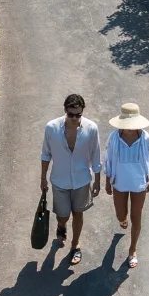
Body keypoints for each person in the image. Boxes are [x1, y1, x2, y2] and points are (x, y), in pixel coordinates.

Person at [40, 94, 102, 265]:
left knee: (78, 213)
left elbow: (96, 155)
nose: (74, 118)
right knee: (63, 215)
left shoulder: (91, 128)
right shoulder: (51, 128)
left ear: (82, 112)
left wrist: (97, 180)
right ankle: (61, 226)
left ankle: (75, 245)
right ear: (65, 111)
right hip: (59, 180)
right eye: (71, 114)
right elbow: (46, 154)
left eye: (78, 115)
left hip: (82, 180)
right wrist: (42, 178)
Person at [103, 103, 149, 269]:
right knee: (121, 214)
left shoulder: (145, 138)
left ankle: (132, 250)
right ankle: (122, 220)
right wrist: (107, 180)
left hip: (139, 183)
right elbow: (108, 159)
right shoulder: (114, 137)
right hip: (119, 182)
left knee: (137, 216)